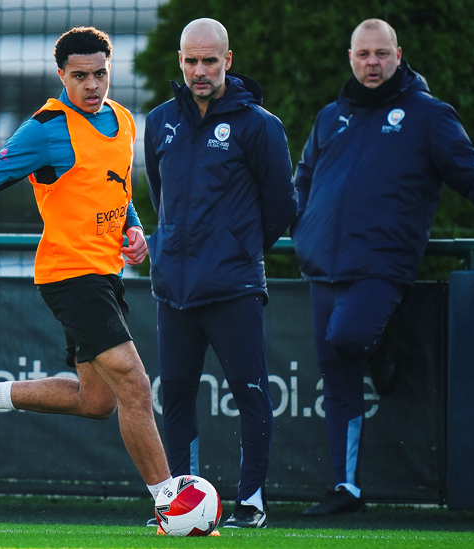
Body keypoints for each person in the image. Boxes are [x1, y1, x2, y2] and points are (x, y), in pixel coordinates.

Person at [291, 18, 474, 515]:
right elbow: (302, 179)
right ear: (350, 57)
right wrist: (297, 223)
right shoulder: (331, 116)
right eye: (363, 54)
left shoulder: (427, 115)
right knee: (337, 372)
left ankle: (380, 345)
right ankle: (345, 488)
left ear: (398, 55)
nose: (372, 63)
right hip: (323, 263)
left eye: (381, 54)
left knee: (348, 338)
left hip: (380, 263)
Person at [0, 26, 176, 510]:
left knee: (96, 401)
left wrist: (134, 228)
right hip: (69, 275)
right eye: (80, 76)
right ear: (61, 75)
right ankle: (170, 504)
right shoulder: (46, 128)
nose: (92, 86)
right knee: (136, 384)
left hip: (105, 273)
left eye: (100, 74)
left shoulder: (123, 119)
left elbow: (116, 187)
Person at [143, 18, 298, 529]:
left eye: (210, 60)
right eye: (191, 61)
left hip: (233, 288)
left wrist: (235, 249)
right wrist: (170, 248)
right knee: (177, 398)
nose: (199, 70)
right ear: (180, 62)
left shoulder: (260, 125)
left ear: (228, 61)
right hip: (174, 290)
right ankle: (177, 506)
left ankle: (250, 502)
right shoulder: (160, 121)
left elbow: (281, 206)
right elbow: (159, 197)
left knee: (251, 393)